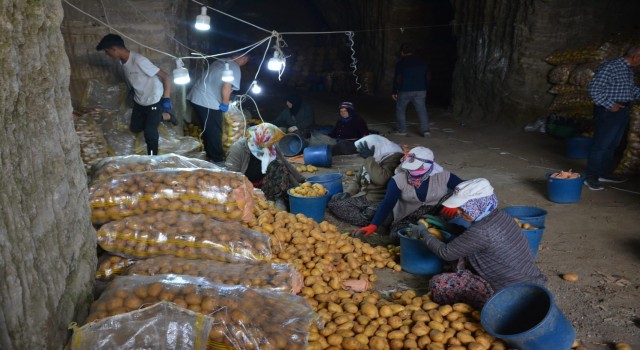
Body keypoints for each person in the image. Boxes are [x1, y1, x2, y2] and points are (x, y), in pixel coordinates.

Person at [409, 178, 546, 308]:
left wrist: (424, 233)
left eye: (463, 208)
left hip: (509, 291)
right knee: (459, 251)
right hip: (528, 279)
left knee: (439, 284)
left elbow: (445, 253)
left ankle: (493, 304)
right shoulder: (500, 216)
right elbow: (471, 238)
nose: (458, 211)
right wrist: (447, 226)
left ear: (476, 206)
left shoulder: (482, 230)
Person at [354, 146, 463, 238]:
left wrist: (456, 203)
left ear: (429, 166)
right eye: (410, 169)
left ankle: (442, 228)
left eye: (416, 168)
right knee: (398, 235)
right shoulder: (398, 180)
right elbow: (387, 204)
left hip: (437, 215)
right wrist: (374, 225)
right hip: (408, 218)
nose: (412, 172)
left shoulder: (443, 176)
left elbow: (469, 187)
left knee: (457, 226)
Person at [96, 34, 172, 155]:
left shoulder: (139, 60)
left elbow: (166, 76)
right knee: (135, 128)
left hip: (153, 100)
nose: (107, 54)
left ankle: (153, 159)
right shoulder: (123, 61)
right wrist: (132, 90)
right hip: (139, 99)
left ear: (114, 49)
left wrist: (166, 98)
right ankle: (163, 116)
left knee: (149, 132)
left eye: (107, 51)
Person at [584, 45, 640, 191]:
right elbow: (594, 89)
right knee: (601, 144)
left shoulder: (627, 70)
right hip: (609, 111)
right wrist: (610, 105)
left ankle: (603, 173)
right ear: (636, 56)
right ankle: (590, 177)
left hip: (622, 110)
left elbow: (628, 89)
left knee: (612, 144)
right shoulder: (611, 67)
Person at [328, 135, 404, 226]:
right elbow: (358, 178)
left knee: (373, 211)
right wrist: (348, 193)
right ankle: (371, 221)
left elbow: (381, 179)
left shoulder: (394, 158)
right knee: (334, 203)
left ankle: (374, 221)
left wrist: (369, 159)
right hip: (366, 198)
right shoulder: (374, 157)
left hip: (380, 200)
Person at [187, 54, 250, 165]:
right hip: (207, 101)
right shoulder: (234, 67)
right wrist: (225, 104)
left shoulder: (220, 61)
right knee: (214, 131)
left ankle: (209, 155)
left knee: (207, 129)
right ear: (244, 58)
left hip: (196, 97)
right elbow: (227, 86)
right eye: (246, 60)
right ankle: (217, 160)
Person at [225, 123, 304, 202]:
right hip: (244, 187)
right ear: (262, 138)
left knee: (279, 166)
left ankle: (275, 199)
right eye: (271, 141)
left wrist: (302, 181)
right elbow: (232, 175)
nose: (272, 144)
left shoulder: (271, 147)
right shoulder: (238, 149)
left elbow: (286, 164)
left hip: (264, 184)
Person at [392, 43, 431, 138]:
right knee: (422, 110)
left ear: (402, 52)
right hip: (421, 89)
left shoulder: (400, 63)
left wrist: (394, 91)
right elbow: (428, 77)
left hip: (405, 90)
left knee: (400, 109)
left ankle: (402, 130)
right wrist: (426, 88)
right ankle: (426, 131)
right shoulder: (423, 62)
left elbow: (397, 78)